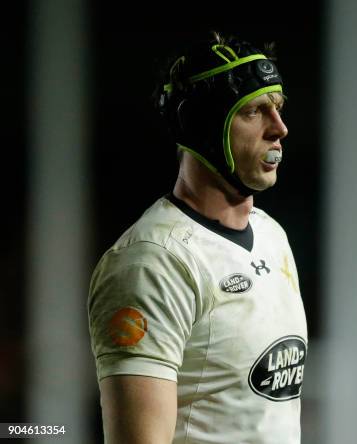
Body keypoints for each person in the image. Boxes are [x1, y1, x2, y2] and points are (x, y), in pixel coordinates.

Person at [88, 32, 308, 444]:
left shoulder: (272, 236)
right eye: (254, 111)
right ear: (202, 126)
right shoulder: (153, 261)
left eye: (277, 109)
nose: (279, 128)